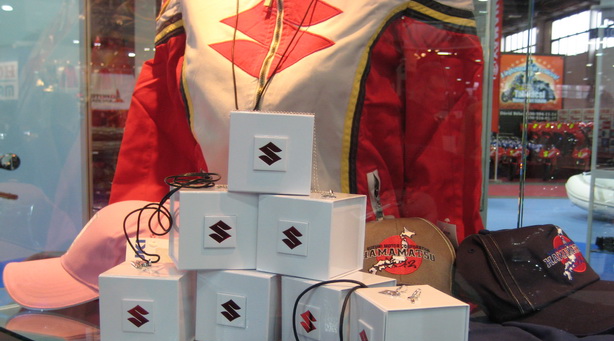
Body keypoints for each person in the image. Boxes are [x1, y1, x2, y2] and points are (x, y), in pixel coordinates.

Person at [109, 0, 484, 242]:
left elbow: (442, 146)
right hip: (216, 253)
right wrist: (138, 243)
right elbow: (158, 136)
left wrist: (442, 263)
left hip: (361, 259)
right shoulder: (193, 7)